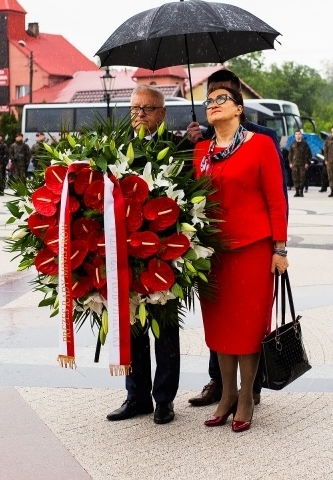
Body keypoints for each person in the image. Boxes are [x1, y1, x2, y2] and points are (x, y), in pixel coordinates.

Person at [186, 70, 285, 409]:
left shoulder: (261, 146)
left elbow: (276, 201)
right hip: (212, 254)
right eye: (209, 101)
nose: (213, 104)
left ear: (239, 108)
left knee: (248, 326)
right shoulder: (200, 151)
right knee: (220, 328)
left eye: (221, 99)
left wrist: (280, 249)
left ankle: (246, 396)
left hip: (253, 251)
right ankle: (226, 395)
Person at [106, 85, 184, 426]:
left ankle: (164, 400)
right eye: (135, 107)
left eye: (148, 108)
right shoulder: (116, 150)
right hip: (127, 258)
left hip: (164, 256)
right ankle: (136, 396)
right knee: (133, 326)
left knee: (165, 331)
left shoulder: (176, 149)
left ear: (162, 114)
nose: (139, 113)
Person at [288, 130, 311, 197]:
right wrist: (290, 162)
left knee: (302, 178)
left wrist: (307, 162)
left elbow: (308, 154)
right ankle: (297, 191)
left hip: (302, 164)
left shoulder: (304, 144)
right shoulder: (293, 144)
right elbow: (290, 154)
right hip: (295, 164)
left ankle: (301, 191)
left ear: (301, 135)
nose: (298, 135)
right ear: (295, 135)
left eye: (299, 134)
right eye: (296, 134)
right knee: (295, 178)